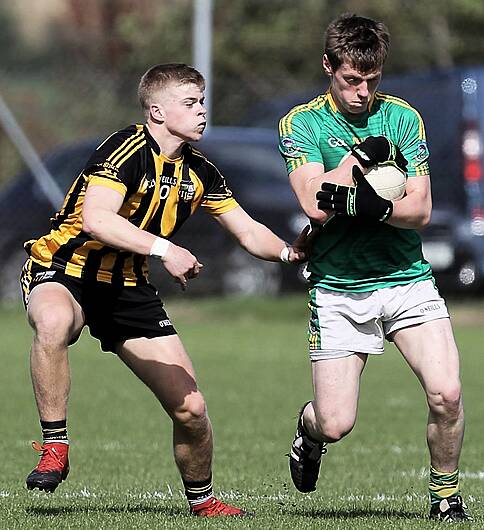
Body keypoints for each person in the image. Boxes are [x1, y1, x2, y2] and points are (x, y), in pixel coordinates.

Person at [21, 63, 311, 518]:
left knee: (192, 409)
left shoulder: (200, 172)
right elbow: (97, 218)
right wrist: (165, 250)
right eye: (190, 102)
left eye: (202, 100)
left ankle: (203, 501)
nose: (202, 110)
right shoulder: (126, 147)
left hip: (127, 288)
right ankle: (55, 447)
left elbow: (249, 231)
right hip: (65, 270)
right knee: (53, 321)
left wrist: (291, 255)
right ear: (157, 111)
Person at [278, 13, 470, 522]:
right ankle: (308, 430)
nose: (364, 91)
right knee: (337, 422)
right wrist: (358, 162)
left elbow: (420, 211)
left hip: (406, 279)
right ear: (329, 67)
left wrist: (375, 206)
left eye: (373, 79)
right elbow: (314, 203)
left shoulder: (404, 119)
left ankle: (445, 496)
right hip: (339, 288)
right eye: (351, 80)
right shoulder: (302, 123)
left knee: (447, 393)